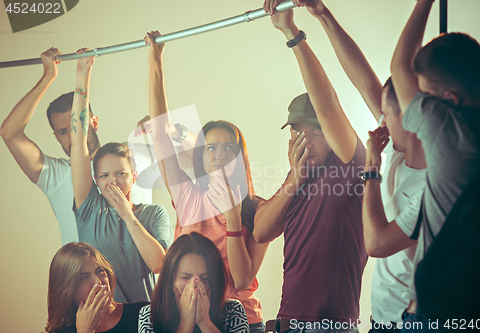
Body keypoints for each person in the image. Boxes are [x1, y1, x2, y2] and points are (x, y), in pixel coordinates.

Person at [283, 1, 426, 331]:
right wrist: (321, 14)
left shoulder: (432, 185)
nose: (380, 120)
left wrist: (372, 172)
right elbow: (362, 76)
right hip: (380, 317)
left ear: (411, 119)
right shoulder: (395, 143)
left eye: (386, 114)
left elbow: (376, 243)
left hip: (411, 321)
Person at [144, 31, 268, 333]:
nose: (220, 155)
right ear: (201, 155)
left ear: (240, 156)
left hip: (241, 321)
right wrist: (155, 61)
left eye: (229, 148)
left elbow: (241, 281)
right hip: (183, 316)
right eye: (211, 147)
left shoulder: (257, 208)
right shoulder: (188, 196)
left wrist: (232, 217)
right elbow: (160, 134)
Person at [254, 2, 367, 331]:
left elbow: (328, 103)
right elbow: (261, 231)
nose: (306, 140)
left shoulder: (350, 166)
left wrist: (292, 33)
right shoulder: (295, 176)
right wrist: (293, 181)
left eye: (316, 131)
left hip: (330, 325)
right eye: (297, 131)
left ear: (331, 133)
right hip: (286, 323)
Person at [390, 0, 480, 330]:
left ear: (448, 100)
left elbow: (400, 68)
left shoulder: (448, 130)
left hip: (440, 313)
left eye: (427, 95)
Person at [0, 47, 152, 245]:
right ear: (56, 136)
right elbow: (9, 132)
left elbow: (185, 146)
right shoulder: (56, 176)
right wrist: (47, 77)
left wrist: (156, 124)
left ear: (94, 122)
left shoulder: (134, 154)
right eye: (63, 132)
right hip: (86, 274)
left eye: (78, 127)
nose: (74, 137)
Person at [70, 48, 172, 303]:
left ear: (134, 175)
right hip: (99, 317)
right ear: (95, 180)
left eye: (120, 173)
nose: (111, 181)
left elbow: (159, 265)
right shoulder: (90, 208)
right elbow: (78, 141)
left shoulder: (153, 214)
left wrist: (127, 215)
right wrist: (83, 75)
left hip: (143, 319)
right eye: (104, 175)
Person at [138, 232, 250, 333]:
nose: (195, 285)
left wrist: (204, 322)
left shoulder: (233, 311)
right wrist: (186, 323)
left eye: (205, 278)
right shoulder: (150, 315)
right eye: (185, 277)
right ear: (170, 278)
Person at [45, 242, 148, 333]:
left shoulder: (144, 314)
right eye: (84, 277)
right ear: (67, 290)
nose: (98, 282)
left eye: (100, 271)